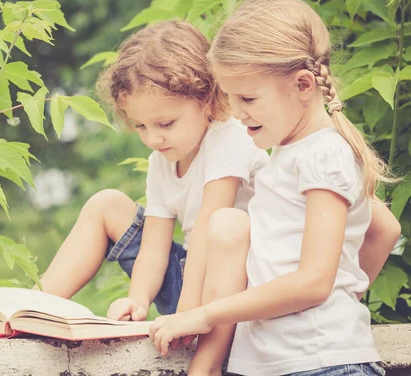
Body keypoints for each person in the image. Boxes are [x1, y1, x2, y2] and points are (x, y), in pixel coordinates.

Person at [148, 0, 402, 376]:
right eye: (231, 98)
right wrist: (346, 289)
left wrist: (204, 314)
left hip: (320, 362)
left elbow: (315, 283)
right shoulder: (290, 154)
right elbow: (385, 229)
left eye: (247, 97)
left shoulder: (324, 154)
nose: (236, 112)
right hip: (282, 362)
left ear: (303, 86)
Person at [36, 20, 268, 375]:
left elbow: (210, 225)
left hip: (240, 293)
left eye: (165, 123)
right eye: (140, 126)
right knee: (106, 204)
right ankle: (30, 309)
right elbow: (155, 246)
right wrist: (139, 298)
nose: (153, 139)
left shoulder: (229, 138)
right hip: (191, 280)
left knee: (221, 227)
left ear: (206, 100)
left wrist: (189, 313)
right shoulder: (162, 160)